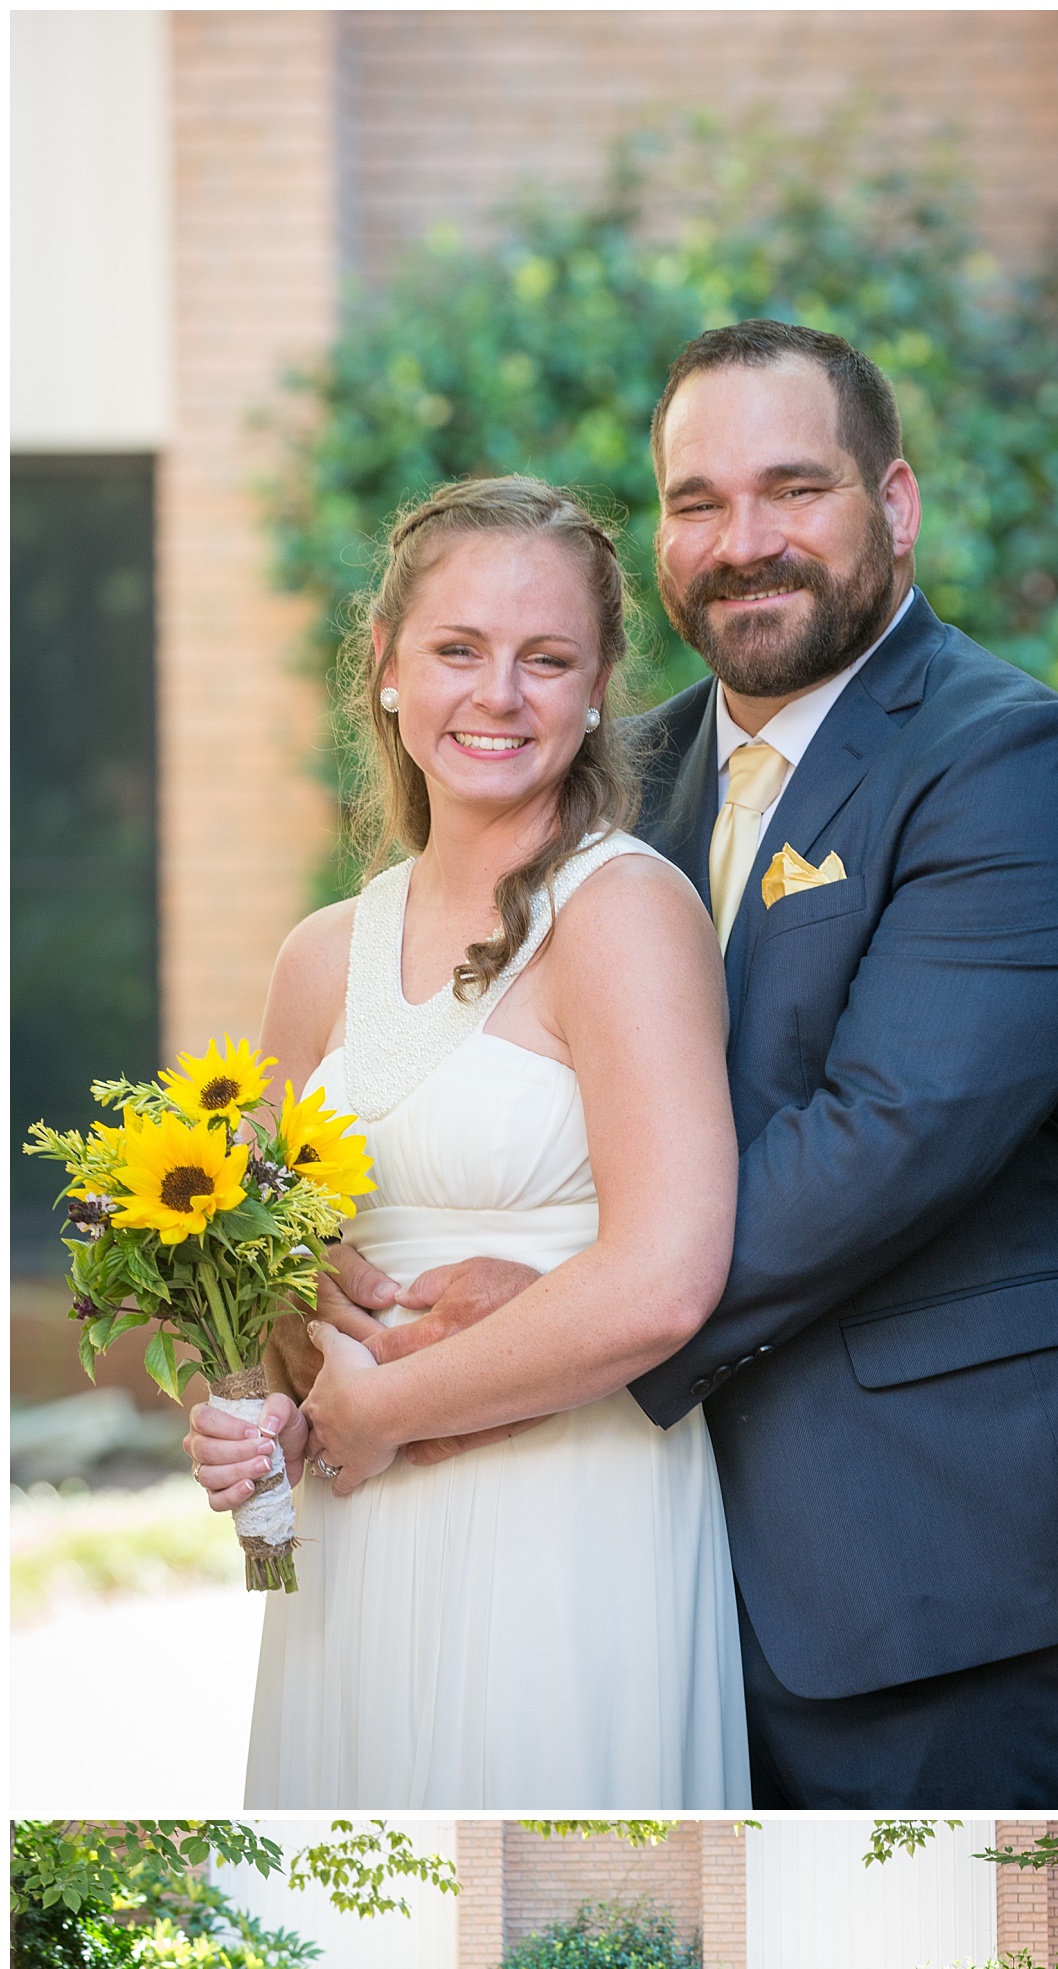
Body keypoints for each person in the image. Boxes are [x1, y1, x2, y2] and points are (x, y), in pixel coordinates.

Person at [313, 321, 1058, 1806]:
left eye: (797, 489)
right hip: (649, 1559)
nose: (746, 542)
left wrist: (566, 1303)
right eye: (699, 500)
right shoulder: (616, 784)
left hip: (946, 1566)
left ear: (895, 506)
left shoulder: (1020, 766)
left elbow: (886, 1131)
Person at [185, 476, 749, 1802]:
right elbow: (258, 1299)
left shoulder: (626, 913)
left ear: (601, 682)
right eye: (458, 649)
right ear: (383, 661)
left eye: (546, 658)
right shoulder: (321, 958)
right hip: (355, 1548)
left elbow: (667, 1277)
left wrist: (379, 1405)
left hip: (565, 1518)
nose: (499, 694)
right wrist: (240, 1410)